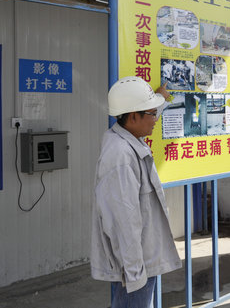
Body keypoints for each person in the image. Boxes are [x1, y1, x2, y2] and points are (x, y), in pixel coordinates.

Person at [91, 77, 181, 308]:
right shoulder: (120, 156)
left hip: (143, 258)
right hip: (136, 265)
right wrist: (135, 273)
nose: (156, 119)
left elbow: (145, 113)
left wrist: (160, 98)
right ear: (132, 116)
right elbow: (123, 222)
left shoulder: (127, 136)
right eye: (152, 114)